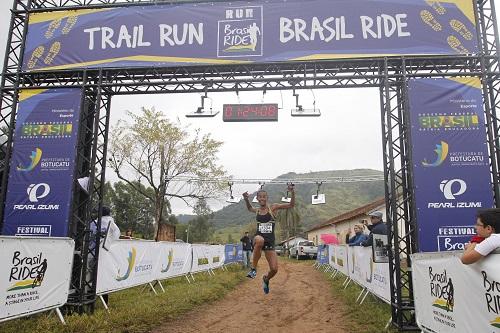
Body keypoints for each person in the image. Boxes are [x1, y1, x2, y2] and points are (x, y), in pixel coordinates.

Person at [243, 184, 295, 294]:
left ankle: (266, 279)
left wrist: (292, 192)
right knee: (259, 240)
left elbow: (291, 204)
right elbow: (249, 208)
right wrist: (246, 199)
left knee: (274, 269)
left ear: (267, 198)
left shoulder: (273, 208)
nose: (262, 198)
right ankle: (253, 269)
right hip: (258, 238)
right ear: (257, 198)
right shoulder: (257, 210)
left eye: (264, 196)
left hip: (270, 242)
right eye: (260, 196)